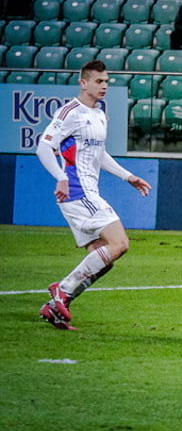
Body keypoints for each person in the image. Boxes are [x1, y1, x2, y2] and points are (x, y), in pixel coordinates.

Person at [35, 60, 152, 330]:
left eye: (107, 82)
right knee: (119, 243)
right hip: (78, 192)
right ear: (83, 82)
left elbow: (99, 154)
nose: (104, 86)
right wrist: (61, 177)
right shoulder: (70, 112)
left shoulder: (99, 113)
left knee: (103, 258)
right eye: (99, 81)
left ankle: (55, 308)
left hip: (87, 192)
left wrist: (128, 176)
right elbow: (44, 146)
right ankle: (61, 290)